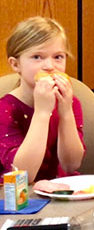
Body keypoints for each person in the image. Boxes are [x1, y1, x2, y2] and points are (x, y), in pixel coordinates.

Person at [0, 17, 85, 182]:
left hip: (61, 191)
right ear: (15, 64)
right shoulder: (5, 110)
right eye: (37, 57)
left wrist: (66, 111)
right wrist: (42, 112)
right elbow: (23, 176)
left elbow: (71, 165)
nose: (49, 66)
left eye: (58, 57)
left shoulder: (70, 102)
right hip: (20, 198)